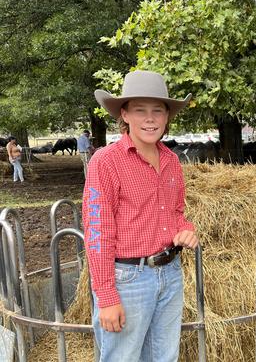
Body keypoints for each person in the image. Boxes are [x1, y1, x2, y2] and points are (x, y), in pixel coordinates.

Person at [84, 70, 198, 361]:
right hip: (127, 279)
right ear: (125, 114)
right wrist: (107, 296)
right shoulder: (106, 162)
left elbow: (175, 212)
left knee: (165, 357)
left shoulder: (172, 161)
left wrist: (184, 229)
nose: (150, 118)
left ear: (167, 117)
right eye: (140, 110)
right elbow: (97, 233)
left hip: (170, 273)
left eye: (157, 111)